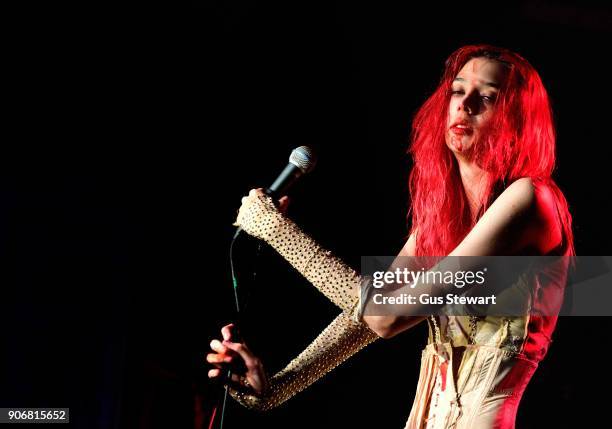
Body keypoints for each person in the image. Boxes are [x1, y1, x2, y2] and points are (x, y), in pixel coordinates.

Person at [207, 45, 574, 428]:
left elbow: (386, 316)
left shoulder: (530, 199)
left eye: (487, 97)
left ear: (515, 119)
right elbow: (366, 318)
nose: (465, 104)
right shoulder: (444, 219)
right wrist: (274, 390)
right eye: (457, 90)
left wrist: (276, 230)